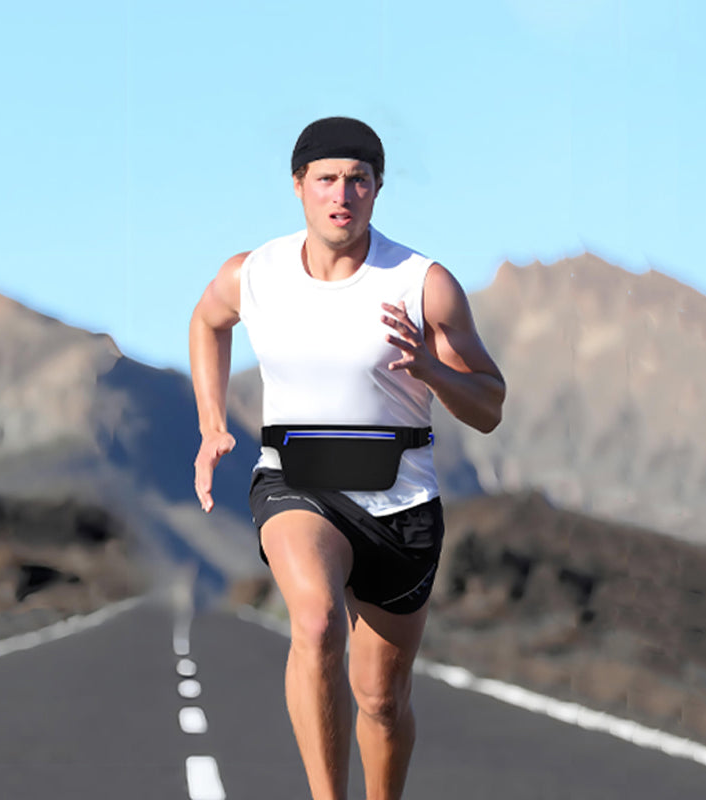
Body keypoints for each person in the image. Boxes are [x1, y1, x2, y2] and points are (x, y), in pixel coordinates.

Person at [189, 117, 505, 800]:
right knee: (316, 620)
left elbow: (489, 404)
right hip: (295, 480)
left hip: (402, 499)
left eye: (358, 180)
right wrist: (213, 424)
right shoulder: (255, 274)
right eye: (327, 179)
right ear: (299, 186)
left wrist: (433, 370)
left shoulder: (423, 283)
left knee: (382, 699)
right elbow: (207, 321)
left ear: (377, 189)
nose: (342, 194)